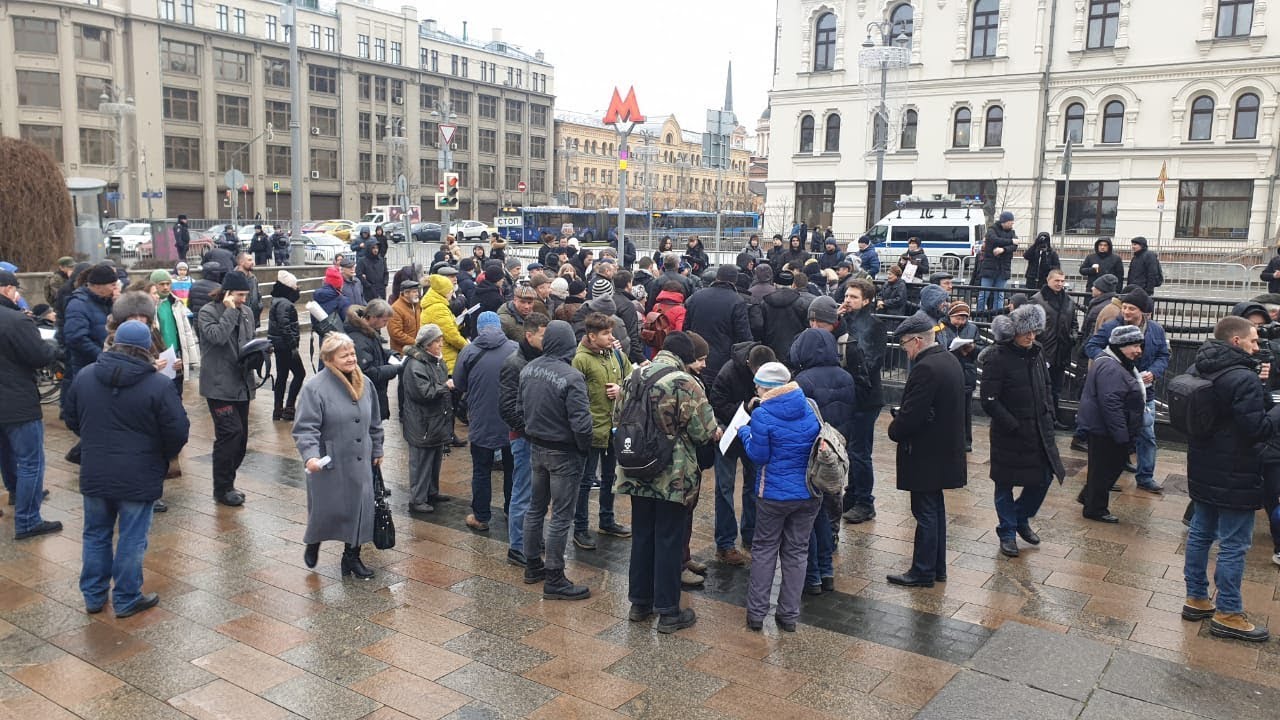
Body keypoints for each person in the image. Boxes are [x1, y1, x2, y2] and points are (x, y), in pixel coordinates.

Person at [65, 319, 187, 614]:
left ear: (114, 342)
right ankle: (126, 597)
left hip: (95, 469)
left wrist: (94, 439)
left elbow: (71, 417)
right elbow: (178, 430)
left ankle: (94, 596)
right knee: (132, 538)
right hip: (139, 473)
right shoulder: (158, 384)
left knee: (95, 534)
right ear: (148, 348)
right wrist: (162, 456)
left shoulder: (86, 376)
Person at [1183, 316, 1278, 642]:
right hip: (1236, 470)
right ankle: (1228, 613)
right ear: (1236, 342)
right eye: (1253, 341)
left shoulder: (1201, 365)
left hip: (1204, 465)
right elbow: (1258, 428)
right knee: (1235, 544)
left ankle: (1196, 597)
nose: (1258, 345)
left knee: (1201, 533)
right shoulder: (1242, 377)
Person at [615, 332, 718, 632]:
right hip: (672, 476)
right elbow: (702, 433)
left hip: (636, 469)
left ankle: (639, 603)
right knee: (669, 540)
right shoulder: (684, 382)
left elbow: (618, 417)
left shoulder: (634, 375)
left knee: (643, 535)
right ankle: (669, 611)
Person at [291, 332, 384, 579]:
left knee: (360, 510)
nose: (352, 358)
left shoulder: (366, 384)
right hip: (329, 463)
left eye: (352, 353)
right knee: (326, 511)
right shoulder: (315, 388)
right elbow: (305, 428)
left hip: (360, 462)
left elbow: (374, 422)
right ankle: (314, 541)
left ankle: (351, 557)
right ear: (330, 359)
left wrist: (377, 448)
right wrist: (310, 456)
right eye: (345, 355)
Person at [886, 312, 967, 588]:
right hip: (943, 450)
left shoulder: (926, 368)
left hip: (926, 453)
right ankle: (936, 568)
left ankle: (922, 571)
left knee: (925, 512)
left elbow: (913, 416)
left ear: (918, 341)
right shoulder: (948, 360)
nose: (905, 350)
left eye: (905, 344)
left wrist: (894, 428)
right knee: (935, 510)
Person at [739, 362, 821, 631]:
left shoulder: (763, 415)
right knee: (797, 552)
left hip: (772, 494)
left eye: (758, 386)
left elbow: (758, 456)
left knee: (764, 550)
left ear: (767, 387)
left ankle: (756, 614)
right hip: (808, 492)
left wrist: (745, 431)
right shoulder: (809, 406)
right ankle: (788, 617)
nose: (756, 390)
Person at [981, 306, 1066, 558]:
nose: (1031, 337)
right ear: (1013, 333)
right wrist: (1012, 424)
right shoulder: (997, 357)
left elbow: (1047, 385)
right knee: (1004, 483)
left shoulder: (1037, 353)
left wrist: (1049, 412)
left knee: (1045, 477)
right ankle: (1007, 532)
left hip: (1039, 429)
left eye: (1035, 332)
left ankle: (1020, 517)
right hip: (1011, 434)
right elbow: (989, 400)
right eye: (1026, 333)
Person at [520, 320, 594, 600]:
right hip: (564, 452)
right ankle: (554, 576)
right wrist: (583, 449)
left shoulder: (528, 369)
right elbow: (582, 424)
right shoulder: (572, 377)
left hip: (537, 447)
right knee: (562, 515)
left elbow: (520, 407)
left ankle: (532, 565)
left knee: (535, 508)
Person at [791, 328, 855, 597]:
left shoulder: (803, 380)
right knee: (829, 517)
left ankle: (813, 576)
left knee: (811, 520)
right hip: (835, 454)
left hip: (811, 458)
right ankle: (827, 572)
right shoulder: (846, 377)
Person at [1085, 287, 1168, 492]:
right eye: (1125, 308)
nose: (1126, 312)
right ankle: (1108, 476)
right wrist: (1111, 364)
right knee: (1115, 436)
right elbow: (1091, 347)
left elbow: (1163, 355)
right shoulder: (1112, 327)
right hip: (1119, 390)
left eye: (1131, 308)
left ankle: (1146, 476)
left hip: (1145, 391)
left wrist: (1154, 372)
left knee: (1147, 435)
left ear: (1144, 312)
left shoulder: (1156, 330)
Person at [0, 270, 60, 537]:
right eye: (15, 288)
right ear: (5, 289)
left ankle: (15, 494)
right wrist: (53, 348)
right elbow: (37, 356)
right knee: (31, 461)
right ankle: (27, 520)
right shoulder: (15, 320)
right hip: (17, 401)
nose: (18, 294)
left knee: (6, 455)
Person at [570, 312, 633, 549]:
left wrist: (621, 391)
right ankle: (580, 527)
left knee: (610, 478)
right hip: (591, 430)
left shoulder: (616, 353)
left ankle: (607, 520)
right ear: (591, 336)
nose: (611, 337)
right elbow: (575, 396)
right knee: (585, 481)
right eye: (605, 333)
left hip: (613, 429)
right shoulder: (581, 360)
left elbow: (631, 378)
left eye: (611, 332)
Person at [708, 341, 774, 565]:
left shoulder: (770, 365)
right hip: (729, 431)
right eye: (757, 375)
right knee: (724, 488)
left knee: (754, 483)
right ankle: (725, 543)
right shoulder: (728, 372)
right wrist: (745, 407)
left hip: (754, 433)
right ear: (748, 365)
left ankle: (751, 534)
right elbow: (716, 402)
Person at [1076, 324, 1146, 523]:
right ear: (1121, 346)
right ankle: (1095, 508)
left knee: (1105, 467)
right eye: (1134, 346)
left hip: (1105, 428)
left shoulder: (1115, 363)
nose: (1138, 351)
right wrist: (1122, 436)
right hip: (1104, 429)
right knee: (1106, 467)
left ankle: (1090, 498)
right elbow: (1111, 404)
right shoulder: (1111, 367)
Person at [198, 271, 257, 507]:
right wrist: (230, 310)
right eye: (239, 295)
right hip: (218, 386)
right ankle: (222, 488)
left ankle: (228, 480)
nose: (243, 299)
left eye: (245, 295)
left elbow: (248, 341)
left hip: (241, 383)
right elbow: (218, 337)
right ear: (227, 293)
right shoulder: (208, 312)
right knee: (229, 434)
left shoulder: (247, 312)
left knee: (241, 438)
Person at [456, 312, 517, 532]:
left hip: (481, 420)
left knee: (481, 470)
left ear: (479, 328)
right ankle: (513, 511)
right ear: (499, 327)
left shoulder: (469, 350)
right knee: (513, 470)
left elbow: (459, 383)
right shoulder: (514, 348)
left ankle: (481, 516)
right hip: (512, 421)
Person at [499, 312, 550, 566]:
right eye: (543, 335)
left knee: (538, 493)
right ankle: (517, 546)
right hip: (524, 437)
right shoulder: (514, 364)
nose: (547, 339)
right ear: (529, 336)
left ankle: (532, 537)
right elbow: (507, 407)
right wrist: (529, 430)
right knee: (522, 492)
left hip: (539, 437)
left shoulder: (541, 359)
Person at [839, 279, 887, 521]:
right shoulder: (843, 321)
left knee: (860, 451)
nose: (848, 300)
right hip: (847, 394)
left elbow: (871, 360)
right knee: (850, 449)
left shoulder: (875, 324)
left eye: (854, 297)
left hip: (866, 396)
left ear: (866, 300)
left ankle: (865, 501)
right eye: (847, 296)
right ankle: (852, 493)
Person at [401, 325, 453, 513]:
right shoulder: (416, 365)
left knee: (434, 459)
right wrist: (445, 386)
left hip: (434, 421)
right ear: (427, 344)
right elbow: (424, 393)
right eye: (437, 342)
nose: (441, 344)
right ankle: (417, 499)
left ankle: (431, 491)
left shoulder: (435, 361)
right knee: (421, 462)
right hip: (422, 423)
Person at [684, 265, 754, 382]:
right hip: (722, 360)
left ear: (717, 277)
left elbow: (686, 328)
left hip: (695, 356)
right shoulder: (737, 301)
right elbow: (744, 336)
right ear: (735, 280)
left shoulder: (696, 297)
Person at [1031, 269, 1077, 424]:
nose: (1060, 284)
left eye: (1062, 281)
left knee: (1056, 388)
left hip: (1062, 352)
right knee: (1041, 387)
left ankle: (1053, 418)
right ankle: (1042, 418)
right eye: (1057, 280)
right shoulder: (1037, 300)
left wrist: (1073, 337)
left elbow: (1074, 324)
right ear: (1048, 280)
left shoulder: (1068, 301)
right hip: (1044, 351)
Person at [346, 301, 401, 427]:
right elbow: (368, 373)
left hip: (376, 393)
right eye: (384, 321)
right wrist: (395, 368)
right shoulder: (359, 339)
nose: (385, 325)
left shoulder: (368, 331)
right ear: (373, 317)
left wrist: (392, 354)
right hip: (368, 396)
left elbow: (376, 351)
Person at [941, 301, 981, 450]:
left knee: (965, 410)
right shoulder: (941, 327)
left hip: (966, 371)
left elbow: (981, 350)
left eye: (964, 318)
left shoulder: (972, 328)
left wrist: (972, 348)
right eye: (958, 318)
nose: (961, 322)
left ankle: (966, 441)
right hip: (948, 370)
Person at [268, 271, 304, 421]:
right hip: (285, 346)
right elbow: (285, 325)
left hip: (278, 344)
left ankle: (278, 409)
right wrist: (293, 344)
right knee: (300, 373)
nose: (298, 288)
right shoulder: (285, 303)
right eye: (296, 285)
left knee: (282, 376)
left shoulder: (278, 301)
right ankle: (289, 407)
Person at [761, 270, 813, 369]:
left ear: (775, 284)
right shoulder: (802, 303)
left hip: (771, 349)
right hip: (795, 350)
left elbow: (760, 326)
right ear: (793, 284)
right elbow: (808, 326)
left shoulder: (765, 303)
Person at [419, 272, 469, 374]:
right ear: (443, 292)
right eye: (450, 291)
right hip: (446, 357)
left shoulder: (436, 305)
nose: (452, 293)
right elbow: (451, 335)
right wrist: (467, 347)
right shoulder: (438, 308)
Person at [977, 211, 1018, 314]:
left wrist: (1003, 249)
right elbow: (994, 240)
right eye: (1010, 222)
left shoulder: (1012, 232)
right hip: (989, 268)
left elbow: (1014, 246)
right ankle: (978, 316)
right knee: (984, 294)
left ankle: (996, 316)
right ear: (1004, 222)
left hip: (1003, 269)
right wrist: (1010, 241)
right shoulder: (992, 230)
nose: (1012, 224)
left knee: (1000, 295)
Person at [388, 280, 422, 354]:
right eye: (414, 292)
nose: (417, 294)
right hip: (402, 352)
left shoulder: (416, 305)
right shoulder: (396, 308)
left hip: (415, 350)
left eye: (417, 291)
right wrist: (415, 342)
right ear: (406, 293)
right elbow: (396, 333)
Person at [233, 253, 263, 329]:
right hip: (239, 320)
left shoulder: (253, 278)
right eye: (249, 260)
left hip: (252, 318)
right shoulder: (233, 278)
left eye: (252, 259)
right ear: (241, 262)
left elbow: (258, 295)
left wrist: (259, 306)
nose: (253, 262)